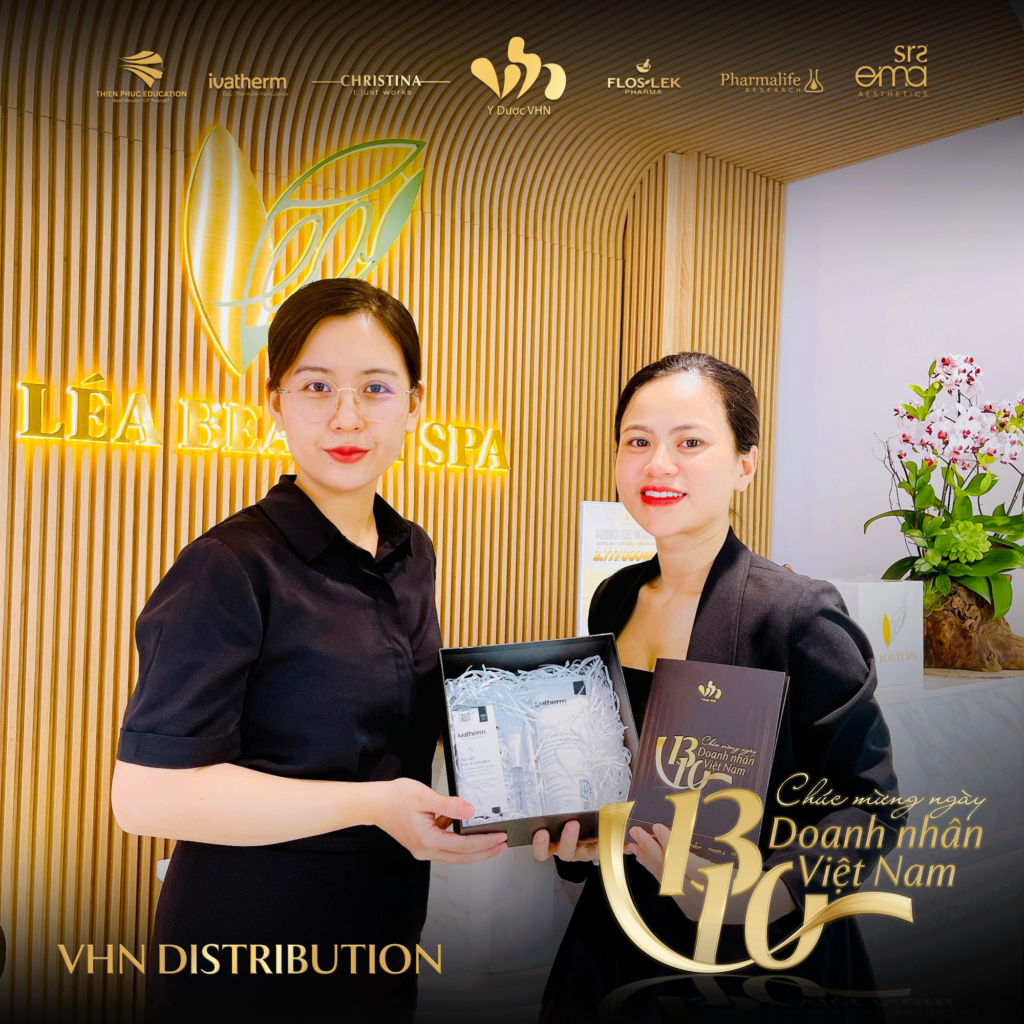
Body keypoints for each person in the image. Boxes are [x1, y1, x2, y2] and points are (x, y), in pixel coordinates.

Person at [111, 278, 506, 1023]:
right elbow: (144, 798)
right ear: (275, 402)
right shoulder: (229, 566)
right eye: (316, 386)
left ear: (414, 404)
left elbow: (391, 726)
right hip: (246, 960)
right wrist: (373, 805)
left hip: (381, 944)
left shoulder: (410, 551)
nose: (346, 416)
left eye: (376, 388)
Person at [533, 352, 899, 1022]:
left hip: (759, 952)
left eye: (690, 443)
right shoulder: (614, 598)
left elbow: (869, 803)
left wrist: (760, 894)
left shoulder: (796, 614)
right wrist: (586, 834)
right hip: (621, 931)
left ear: (745, 466)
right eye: (637, 441)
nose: (658, 465)